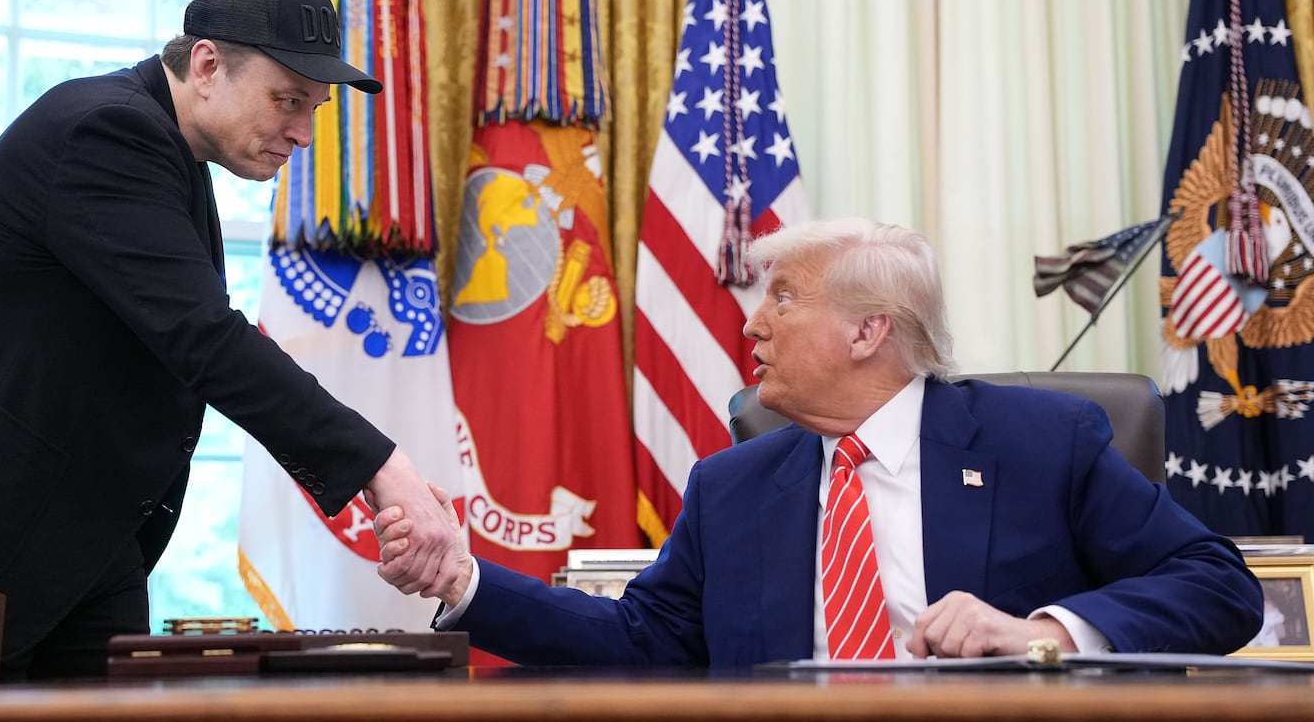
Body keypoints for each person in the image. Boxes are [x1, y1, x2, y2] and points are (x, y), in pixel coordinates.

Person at [0, 0, 457, 680]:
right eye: (288, 101)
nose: (304, 134)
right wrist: (382, 468)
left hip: (82, 544)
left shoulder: (174, 150)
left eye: (315, 109)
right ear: (208, 65)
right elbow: (206, 339)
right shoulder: (107, 130)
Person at [375, 217, 1264, 665]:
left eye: (785, 298)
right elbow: (646, 639)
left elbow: (1219, 587)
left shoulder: (1041, 441)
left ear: (869, 331)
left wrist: (1046, 632)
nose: (754, 324)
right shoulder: (733, 484)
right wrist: (465, 579)